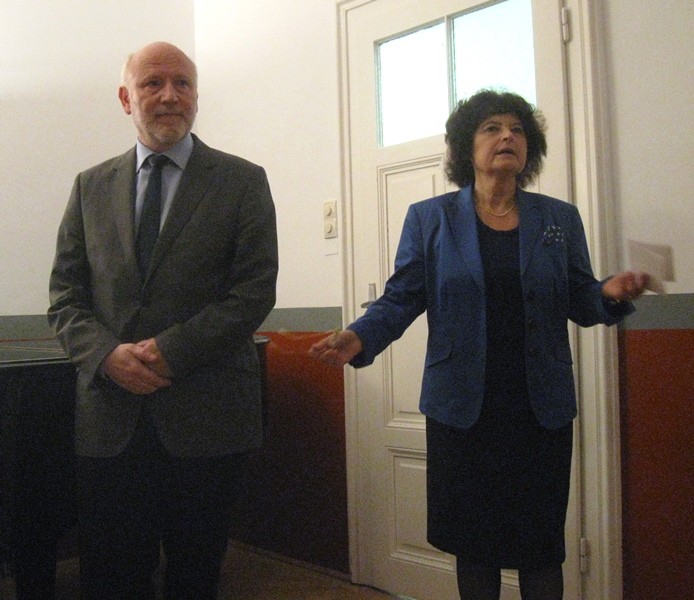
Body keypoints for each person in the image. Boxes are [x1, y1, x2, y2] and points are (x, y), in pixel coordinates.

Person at [309, 90, 649, 600]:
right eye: (492, 127)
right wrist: (359, 336)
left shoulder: (558, 219)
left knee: (540, 545)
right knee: (474, 545)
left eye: (517, 129)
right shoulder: (430, 219)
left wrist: (608, 293)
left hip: (539, 410)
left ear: (529, 148)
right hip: (462, 411)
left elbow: (580, 297)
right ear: (467, 147)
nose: (507, 136)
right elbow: (402, 297)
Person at [48, 41, 278, 599]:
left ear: (196, 96)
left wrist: (169, 350)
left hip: (209, 417)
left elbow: (253, 291)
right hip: (110, 421)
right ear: (126, 98)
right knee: (112, 577)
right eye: (153, 83)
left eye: (183, 84)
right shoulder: (89, 186)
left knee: (195, 576)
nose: (170, 95)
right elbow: (64, 296)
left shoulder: (242, 180)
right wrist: (106, 355)